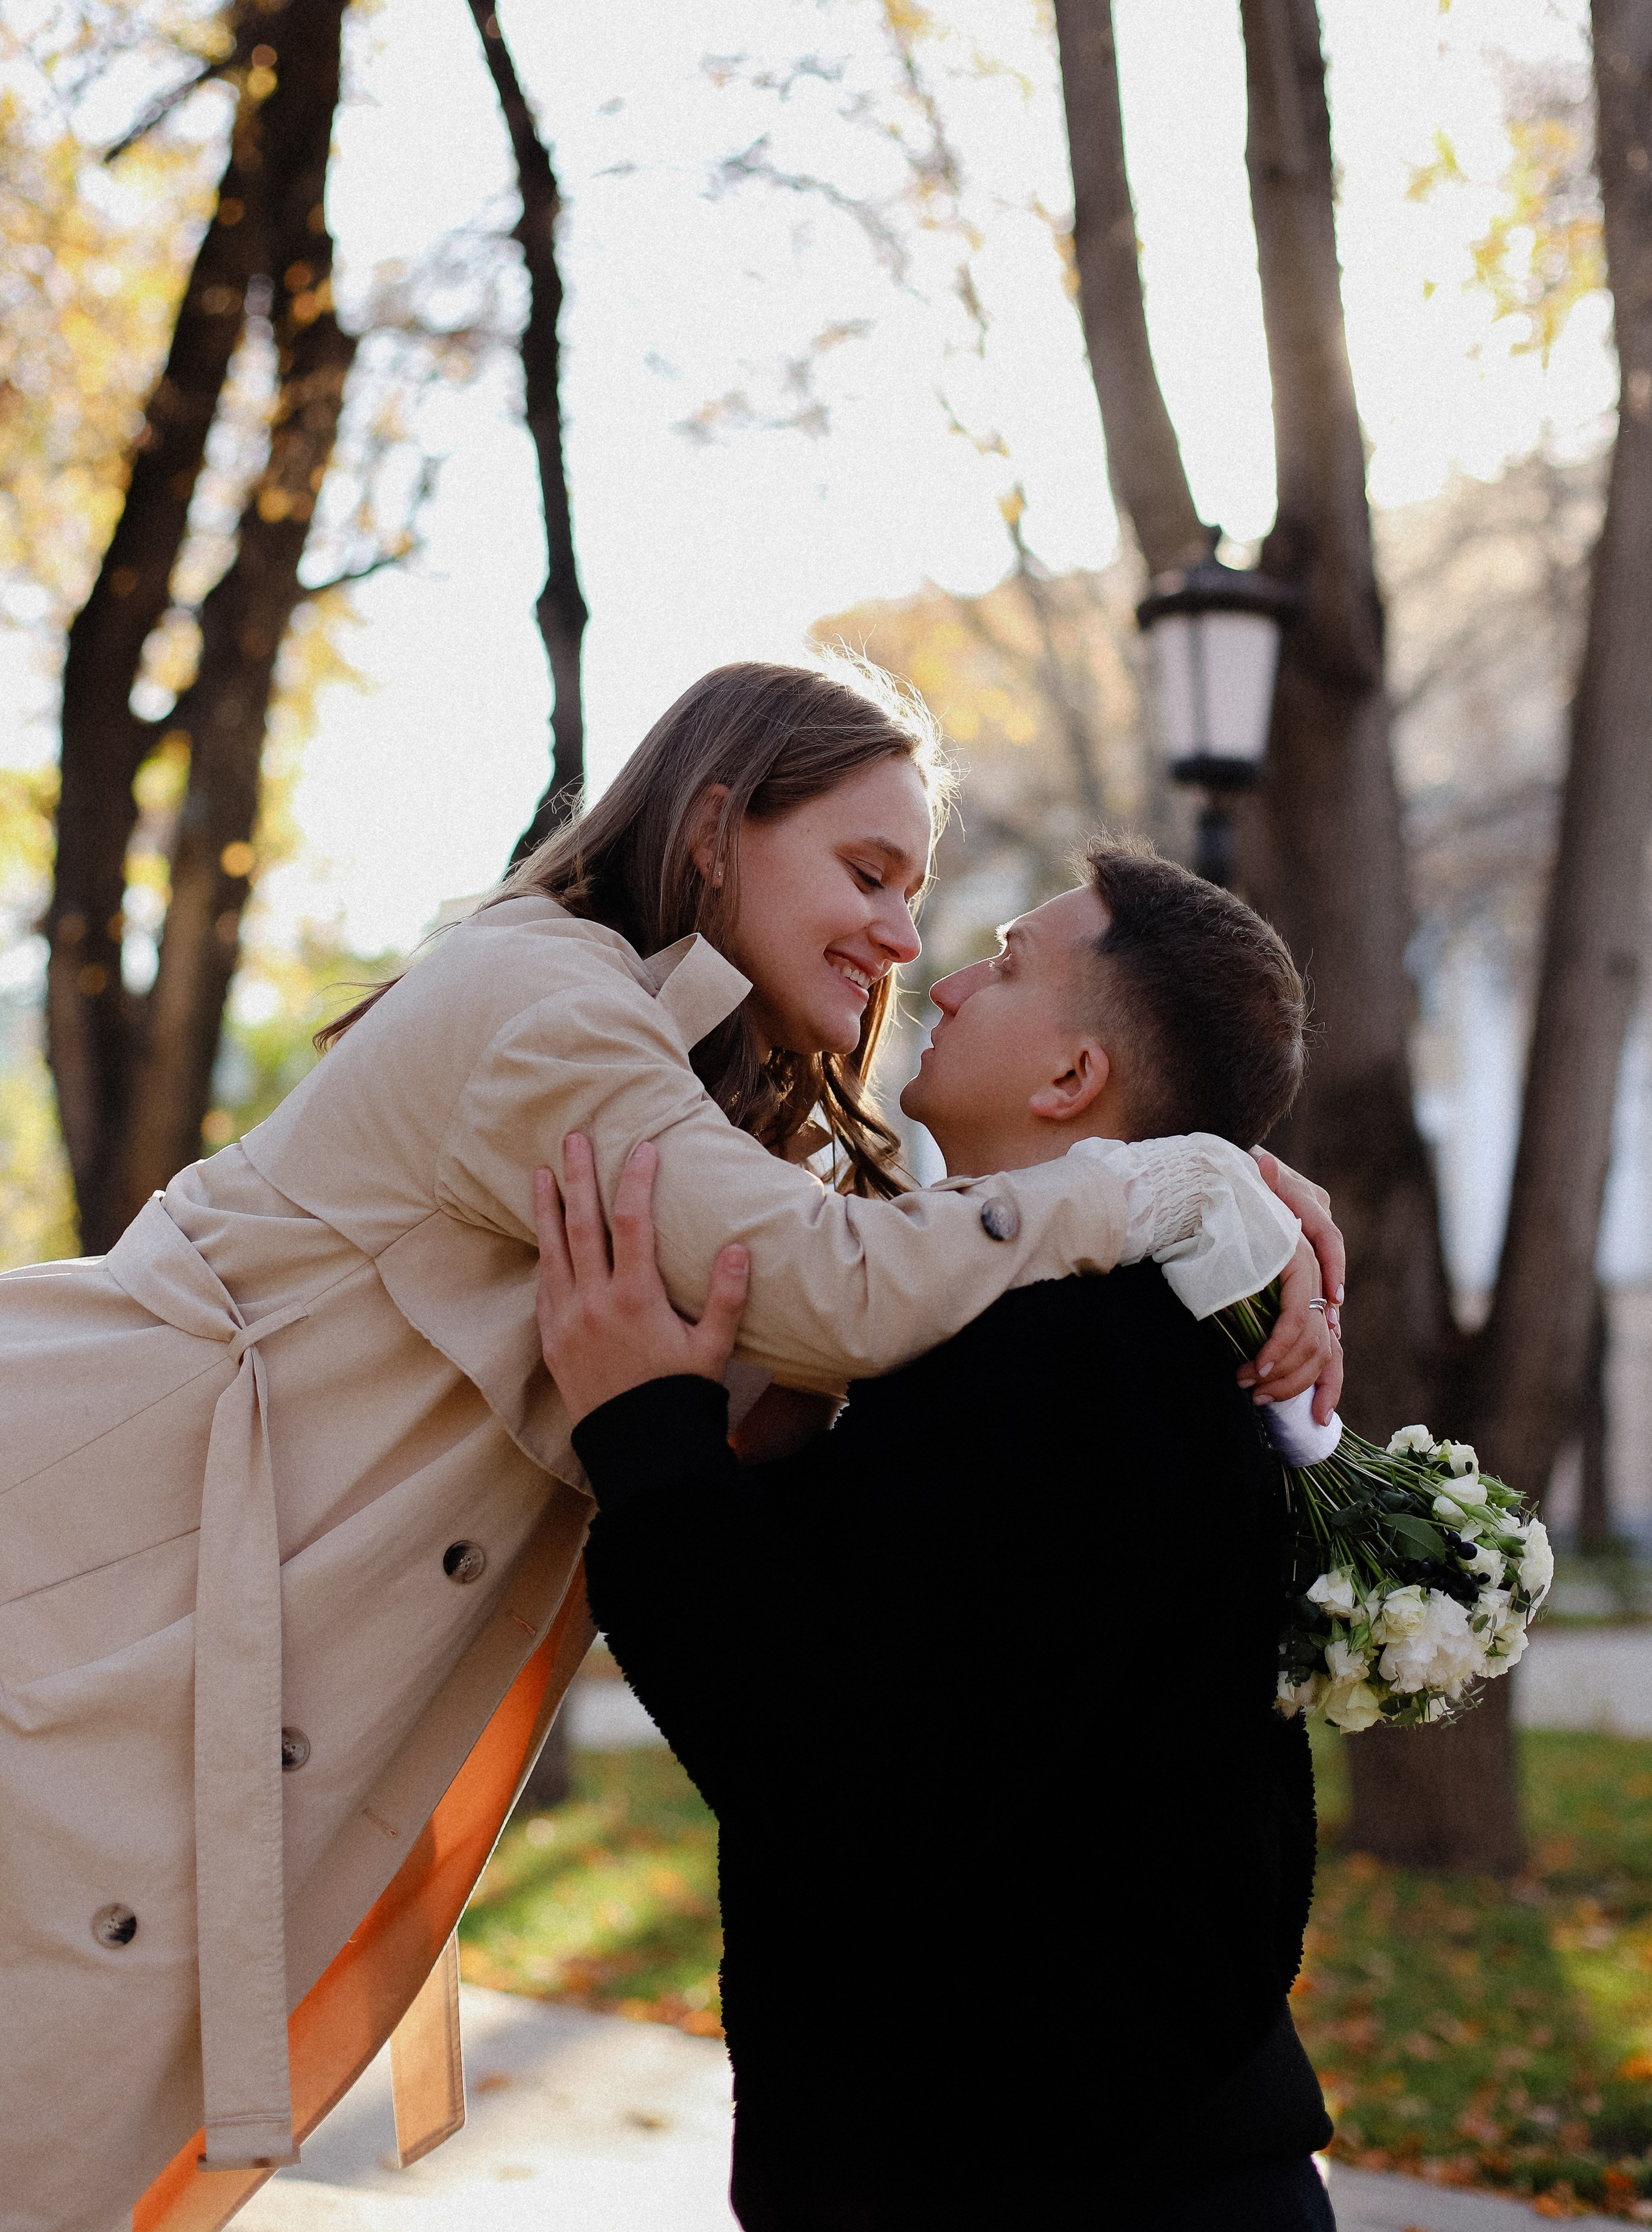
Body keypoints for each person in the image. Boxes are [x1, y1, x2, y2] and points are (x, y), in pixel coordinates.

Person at [0, 663, 1339, 2232]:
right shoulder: (547, 1010)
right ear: (712, 831)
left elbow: (838, 1421)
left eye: (934, 907)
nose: (911, 948)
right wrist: (1177, 1182)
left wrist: (1212, 1185)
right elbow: (837, 1297)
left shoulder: (783, 1165)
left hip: (1051, 2153)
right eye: (868, 874)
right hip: (102, 1571)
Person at [536, 841, 1342, 2231]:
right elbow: (958, 1707)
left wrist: (645, 1439)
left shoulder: (1071, 1362)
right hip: (1088, 2152)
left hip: (1065, 2180)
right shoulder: (1075, 1333)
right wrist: (777, 1451)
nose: (943, 973)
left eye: (1009, 960)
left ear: (1069, 1082)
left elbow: (833, 1773)